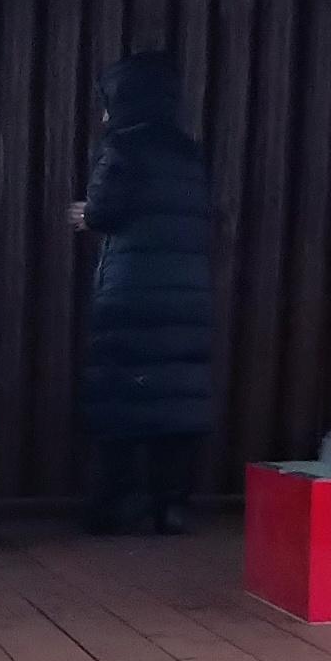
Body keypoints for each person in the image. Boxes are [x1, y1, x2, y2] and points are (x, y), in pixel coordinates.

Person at [71, 50, 216, 532]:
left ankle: (114, 507)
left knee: (122, 399)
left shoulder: (122, 147)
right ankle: (171, 506)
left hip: (132, 293)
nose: (104, 115)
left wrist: (85, 214)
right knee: (175, 400)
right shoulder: (189, 152)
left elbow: (104, 209)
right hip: (188, 295)